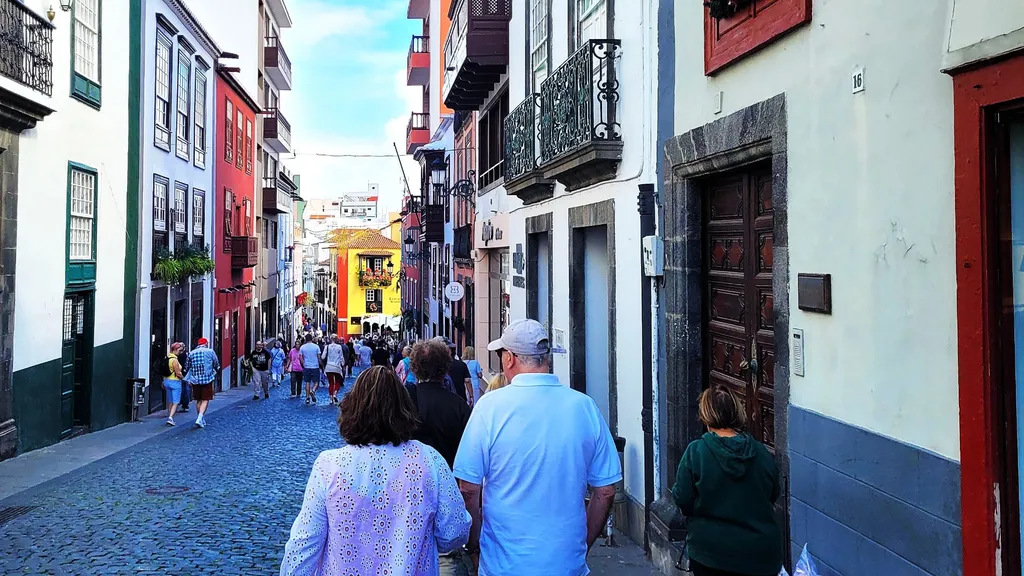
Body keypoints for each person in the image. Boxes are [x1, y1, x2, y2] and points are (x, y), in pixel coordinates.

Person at [453, 319, 622, 575]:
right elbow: (606, 491)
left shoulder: (489, 407)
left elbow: (468, 488)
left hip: (504, 564)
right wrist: (580, 546)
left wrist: (474, 544)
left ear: (509, 358)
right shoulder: (584, 407)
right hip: (566, 564)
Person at [280, 366, 471, 576]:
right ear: (404, 408)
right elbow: (454, 532)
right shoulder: (429, 461)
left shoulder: (329, 465)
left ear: (352, 408)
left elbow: (304, 543)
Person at [672, 386, 782, 576]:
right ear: (736, 412)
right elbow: (773, 493)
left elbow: (682, 497)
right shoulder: (761, 452)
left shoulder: (696, 452)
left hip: (711, 553)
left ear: (705, 415)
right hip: (761, 553)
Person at [405, 339, 473, 575]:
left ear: (414, 367)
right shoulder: (459, 406)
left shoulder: (404, 402)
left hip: (409, 491)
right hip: (448, 490)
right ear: (445, 368)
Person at [183, 337, 220, 429]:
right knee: (205, 399)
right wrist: (215, 370)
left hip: (195, 379)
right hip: (207, 379)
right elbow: (216, 363)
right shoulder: (210, 351)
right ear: (206, 343)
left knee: (198, 399)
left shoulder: (191, 353)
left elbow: (187, 366)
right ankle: (200, 418)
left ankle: (200, 418)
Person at [438, 337, 472, 406]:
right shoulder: (462, 365)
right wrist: (471, 396)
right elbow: (467, 381)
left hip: (442, 400)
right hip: (460, 398)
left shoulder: (437, 365)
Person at [163, 342, 186, 426]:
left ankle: (169, 416)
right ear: (175, 349)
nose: (180, 352)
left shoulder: (167, 358)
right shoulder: (174, 360)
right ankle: (170, 418)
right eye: (179, 350)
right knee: (176, 401)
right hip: (175, 382)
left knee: (170, 401)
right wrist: (185, 379)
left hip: (167, 381)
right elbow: (178, 373)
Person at [322, 336, 346, 405]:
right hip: (337, 367)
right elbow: (341, 357)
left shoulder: (327, 347)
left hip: (329, 367)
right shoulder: (339, 347)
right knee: (338, 382)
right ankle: (335, 394)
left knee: (331, 383)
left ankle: (331, 399)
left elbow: (323, 357)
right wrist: (343, 364)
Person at [299, 334, 322, 405]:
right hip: (315, 366)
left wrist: (303, 364)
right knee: (316, 382)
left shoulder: (302, 347)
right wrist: (321, 364)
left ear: (305, 339)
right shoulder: (316, 346)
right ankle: (313, 390)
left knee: (307, 382)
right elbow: (319, 357)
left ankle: (307, 398)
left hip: (307, 366)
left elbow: (300, 357)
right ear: (312, 339)